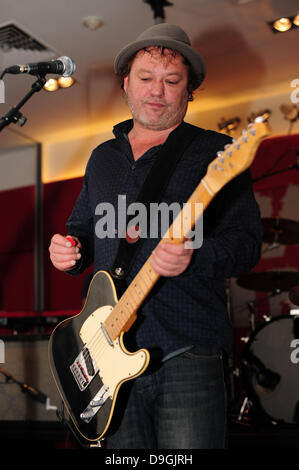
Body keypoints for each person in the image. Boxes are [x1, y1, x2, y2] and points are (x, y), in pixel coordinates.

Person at [49, 23, 262, 449]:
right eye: (146, 78)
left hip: (187, 347)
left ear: (189, 91)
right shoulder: (102, 159)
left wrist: (193, 255)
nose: (157, 91)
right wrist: (70, 252)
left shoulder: (216, 154)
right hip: (106, 356)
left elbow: (246, 244)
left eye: (171, 81)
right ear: (126, 83)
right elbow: (82, 229)